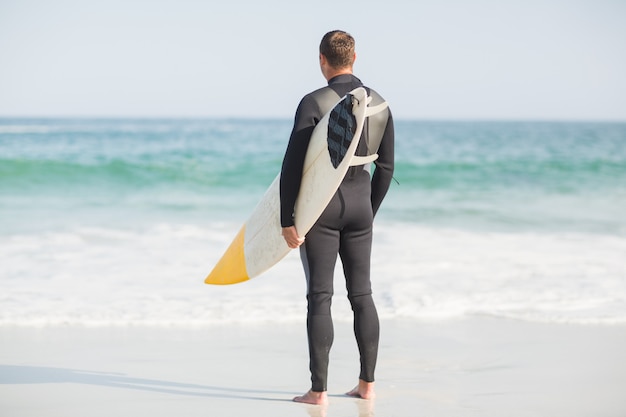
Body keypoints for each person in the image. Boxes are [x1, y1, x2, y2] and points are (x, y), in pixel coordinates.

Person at [280, 30, 395, 405]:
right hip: (361, 205)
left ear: (321, 60)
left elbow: (293, 167)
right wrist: (369, 212)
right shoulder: (380, 103)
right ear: (355, 58)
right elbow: (387, 167)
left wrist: (288, 218)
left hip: (322, 212)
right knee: (362, 295)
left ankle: (319, 392)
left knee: (320, 297)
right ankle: (367, 386)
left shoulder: (313, 102)